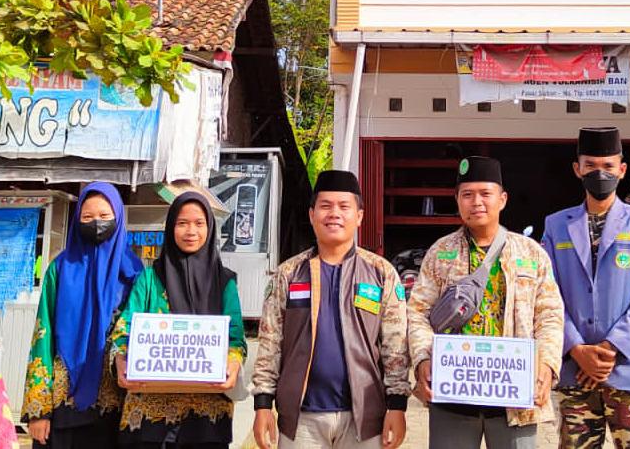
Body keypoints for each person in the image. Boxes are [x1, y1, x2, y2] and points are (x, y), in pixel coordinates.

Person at [408, 156, 564, 449]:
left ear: (502, 199)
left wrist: (546, 365)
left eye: (485, 194)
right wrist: (423, 359)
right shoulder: (441, 252)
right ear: (457, 200)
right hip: (453, 397)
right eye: (467, 195)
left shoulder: (530, 253)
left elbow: (550, 315)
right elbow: (417, 312)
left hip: (517, 399)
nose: (476, 202)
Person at [252, 170, 410, 449]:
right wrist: (262, 403)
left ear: (359, 216)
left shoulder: (380, 272)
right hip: (301, 420)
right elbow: (270, 340)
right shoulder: (288, 273)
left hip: (363, 420)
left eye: (344, 206)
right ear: (312, 215)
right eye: (325, 206)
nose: (334, 213)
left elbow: (395, 345)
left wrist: (397, 405)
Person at [541, 127, 630, 449]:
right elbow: (547, 295)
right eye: (591, 165)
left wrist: (610, 349)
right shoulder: (556, 225)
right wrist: (577, 349)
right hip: (575, 371)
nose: (600, 173)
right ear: (577, 169)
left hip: (629, 368)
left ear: (622, 170)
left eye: (608, 166)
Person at [112, 191, 247, 449]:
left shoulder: (225, 282)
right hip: (150, 416)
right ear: (170, 226)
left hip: (206, 416)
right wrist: (120, 359)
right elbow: (124, 328)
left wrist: (233, 362)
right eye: (182, 223)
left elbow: (236, 337)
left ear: (210, 228)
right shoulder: (150, 278)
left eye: (199, 223)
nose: (190, 231)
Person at [22, 182, 143, 449]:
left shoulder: (136, 274)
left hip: (118, 408)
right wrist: (38, 410)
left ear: (119, 218)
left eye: (104, 216)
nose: (96, 223)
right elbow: (43, 337)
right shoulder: (61, 269)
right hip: (65, 406)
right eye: (87, 217)